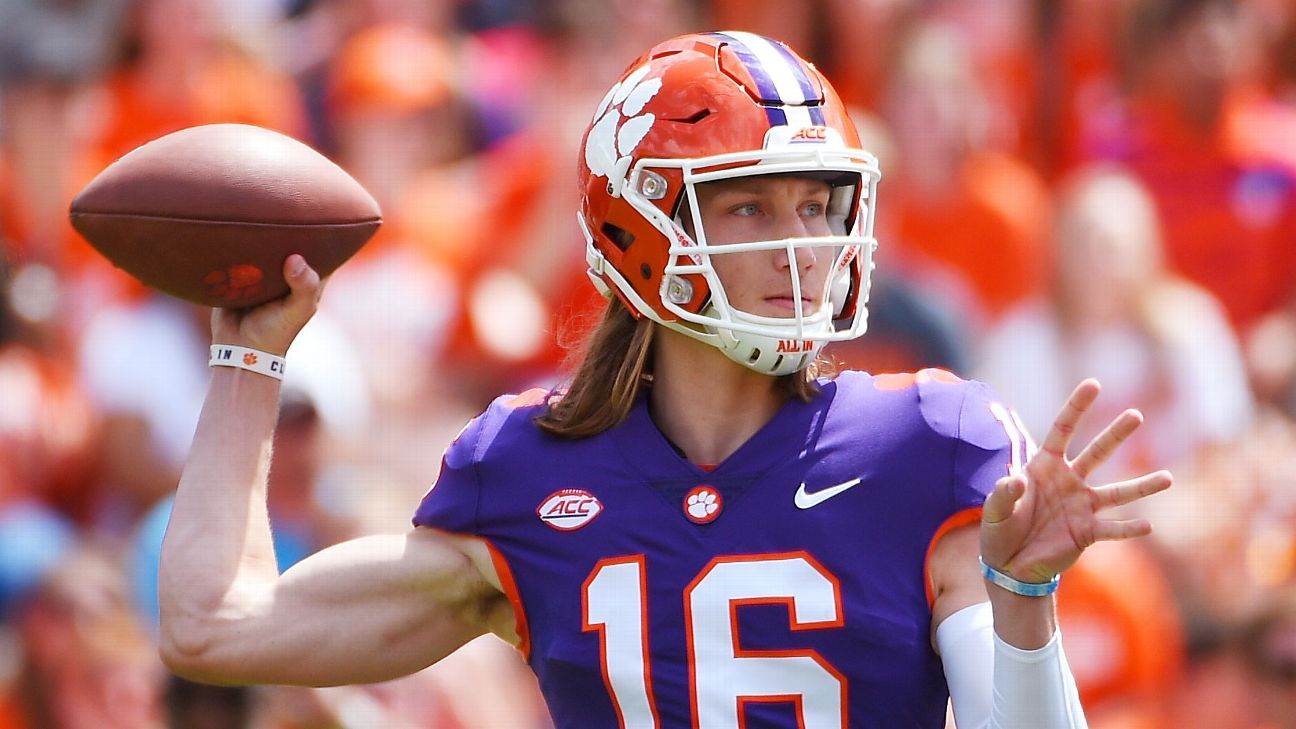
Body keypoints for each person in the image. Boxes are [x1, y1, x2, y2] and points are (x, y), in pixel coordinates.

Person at [158, 32, 1172, 728]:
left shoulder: (930, 444)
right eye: (748, 209)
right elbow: (215, 625)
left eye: (819, 205)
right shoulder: (525, 475)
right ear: (639, 229)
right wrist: (250, 356)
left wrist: (1024, 600)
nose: (800, 245)